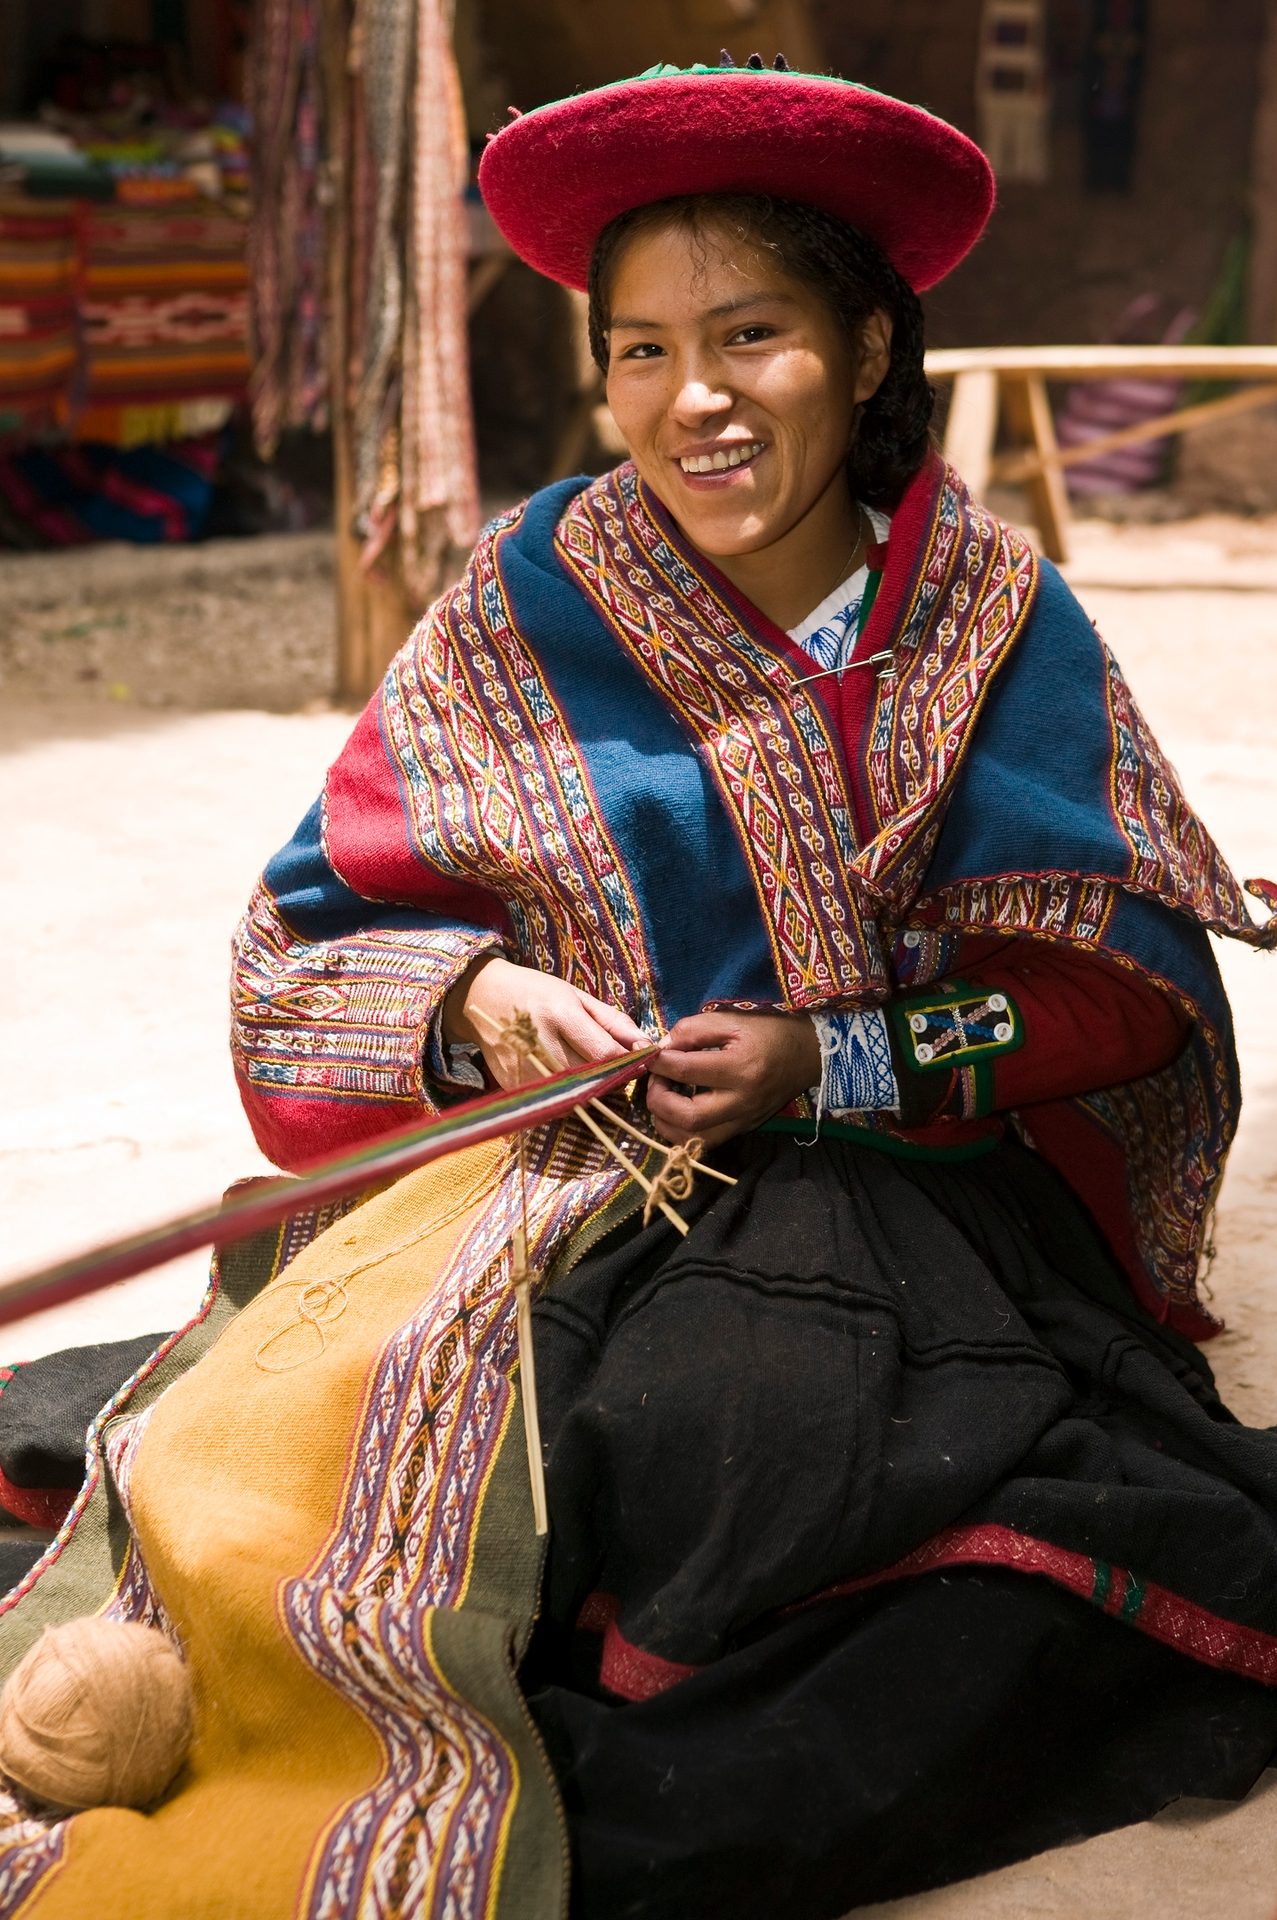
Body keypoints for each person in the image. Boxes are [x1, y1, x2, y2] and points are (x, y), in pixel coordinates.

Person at [2, 55, 1277, 1920]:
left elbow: (1120, 983)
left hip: (898, 1192)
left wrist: (826, 1060)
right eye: (639, 352)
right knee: (293, 1409)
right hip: (539, 1181)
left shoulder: (992, 608)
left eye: (748, 334)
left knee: (756, 1436)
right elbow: (306, 941)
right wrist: (477, 1005)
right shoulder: (526, 590)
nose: (693, 401)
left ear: (862, 349)